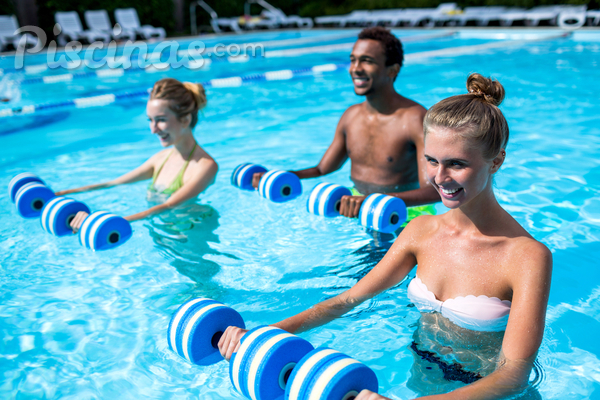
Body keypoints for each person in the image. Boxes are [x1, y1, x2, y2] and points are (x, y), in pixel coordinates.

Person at [218, 74, 553, 399]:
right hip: (420, 379)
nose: (439, 177)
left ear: (496, 161)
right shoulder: (421, 231)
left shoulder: (527, 257)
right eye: (431, 160)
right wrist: (262, 334)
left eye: (457, 164)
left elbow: (513, 375)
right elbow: (347, 300)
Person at [252, 27, 440, 219]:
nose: (355, 69)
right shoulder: (350, 116)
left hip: (403, 213)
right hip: (358, 206)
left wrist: (374, 200)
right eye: (353, 60)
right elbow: (322, 169)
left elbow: (434, 191)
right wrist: (281, 176)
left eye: (367, 61)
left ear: (392, 70)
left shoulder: (414, 119)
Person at [57, 78, 218, 229]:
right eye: (150, 120)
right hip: (162, 230)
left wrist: (98, 223)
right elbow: (114, 183)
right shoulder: (161, 158)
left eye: (161, 120)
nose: (153, 129)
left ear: (185, 120)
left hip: (190, 235)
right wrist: (59, 194)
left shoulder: (205, 166)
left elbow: (169, 206)